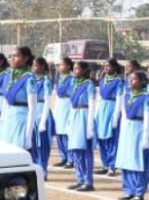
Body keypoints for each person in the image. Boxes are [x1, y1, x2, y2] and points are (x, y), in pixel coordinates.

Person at [116, 70, 149, 200]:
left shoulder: (145, 98)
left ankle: (139, 192)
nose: (131, 82)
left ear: (142, 81)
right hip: (127, 130)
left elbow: (148, 117)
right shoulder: (126, 96)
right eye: (130, 79)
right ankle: (128, 190)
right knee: (126, 160)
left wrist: (145, 135)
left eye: (135, 79)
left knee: (138, 162)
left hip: (138, 129)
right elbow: (124, 115)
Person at [65, 61, 97, 191]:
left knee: (85, 151)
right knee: (75, 150)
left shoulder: (89, 85)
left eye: (77, 68)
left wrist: (90, 126)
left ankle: (88, 181)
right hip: (74, 116)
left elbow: (92, 105)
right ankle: (80, 178)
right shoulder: (74, 83)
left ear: (84, 70)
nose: (75, 71)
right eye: (74, 68)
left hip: (84, 116)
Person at [0, 46, 38, 153]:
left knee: (16, 153)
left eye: (16, 56)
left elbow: (33, 108)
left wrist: (28, 136)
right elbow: (5, 99)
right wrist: (2, 117)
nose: (12, 58)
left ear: (26, 58)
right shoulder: (9, 75)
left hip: (21, 120)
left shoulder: (29, 78)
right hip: (8, 120)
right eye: (11, 56)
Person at [94, 59, 124, 176]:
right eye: (105, 66)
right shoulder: (102, 81)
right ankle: (105, 164)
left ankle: (112, 165)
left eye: (109, 66)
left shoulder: (118, 82)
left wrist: (116, 116)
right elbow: (99, 98)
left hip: (112, 109)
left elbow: (119, 99)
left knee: (111, 139)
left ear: (114, 67)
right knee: (101, 138)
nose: (106, 68)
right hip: (102, 110)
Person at [31, 56, 54, 178]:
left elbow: (47, 101)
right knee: (33, 144)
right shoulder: (31, 80)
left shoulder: (46, 81)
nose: (34, 67)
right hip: (33, 113)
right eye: (33, 65)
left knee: (43, 145)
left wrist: (43, 121)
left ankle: (43, 169)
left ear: (42, 67)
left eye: (36, 65)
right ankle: (35, 168)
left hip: (42, 112)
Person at [51, 58, 74, 168]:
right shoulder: (59, 78)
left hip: (67, 104)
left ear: (68, 66)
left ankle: (70, 159)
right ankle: (63, 157)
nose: (59, 67)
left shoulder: (72, 79)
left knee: (66, 132)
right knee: (59, 132)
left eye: (62, 65)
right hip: (59, 105)